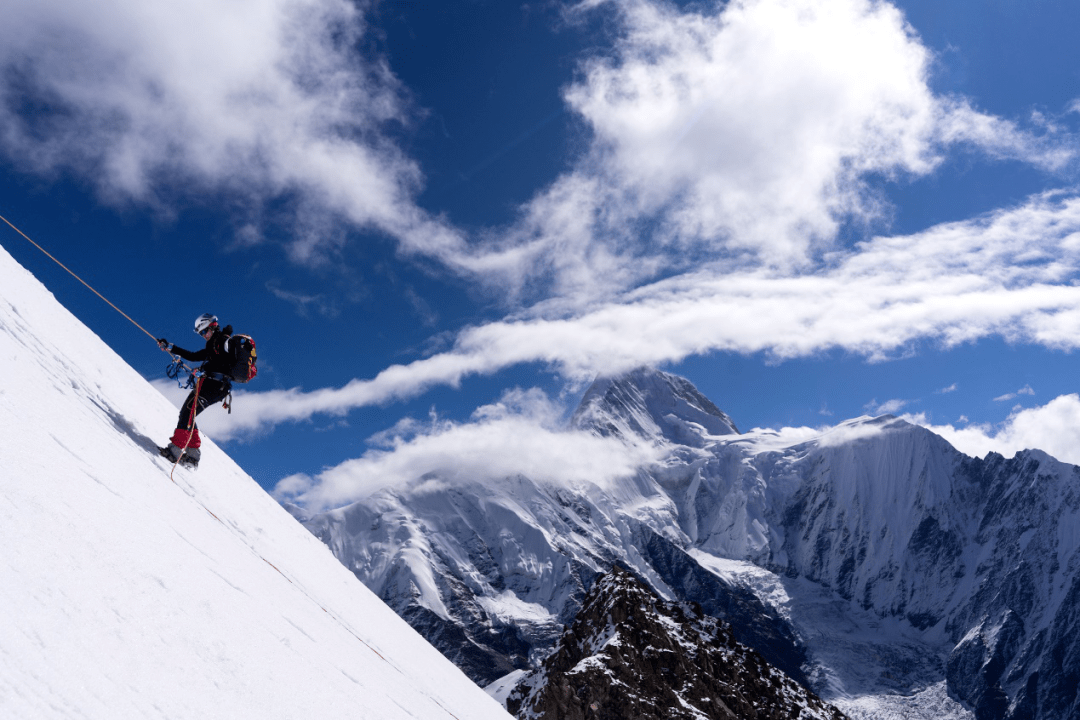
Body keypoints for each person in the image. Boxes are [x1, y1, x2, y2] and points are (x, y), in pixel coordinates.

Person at [156, 313, 237, 468]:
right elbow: (194, 356)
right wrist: (171, 347)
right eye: (201, 333)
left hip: (215, 386)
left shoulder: (223, 342)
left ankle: (175, 452)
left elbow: (226, 364)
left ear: (212, 327)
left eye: (204, 331)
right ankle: (192, 456)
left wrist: (205, 370)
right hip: (210, 385)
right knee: (187, 413)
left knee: (188, 412)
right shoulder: (213, 344)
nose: (203, 335)